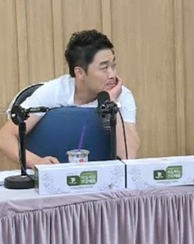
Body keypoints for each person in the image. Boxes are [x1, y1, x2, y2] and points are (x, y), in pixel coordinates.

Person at [0, 29, 141, 168]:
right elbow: (5, 137)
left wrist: (111, 103)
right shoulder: (54, 91)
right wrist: (36, 161)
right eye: (104, 68)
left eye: (113, 66)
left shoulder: (122, 94)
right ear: (80, 73)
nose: (112, 74)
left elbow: (128, 156)